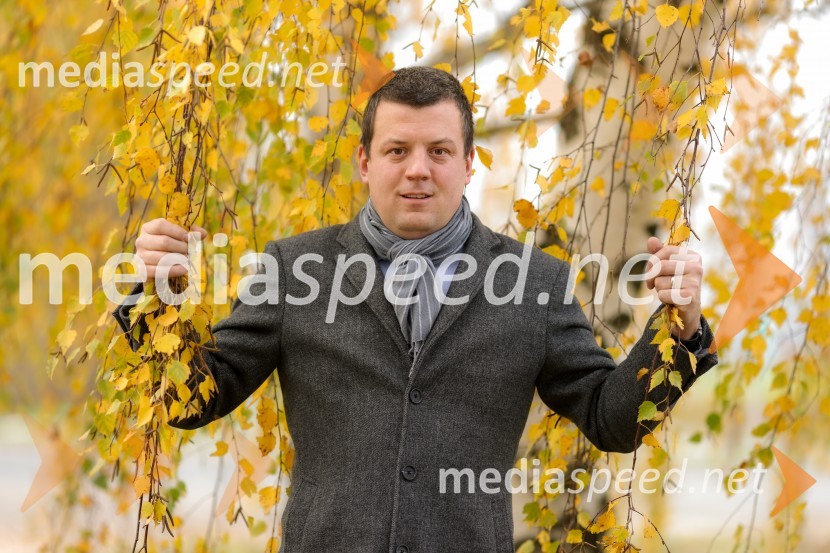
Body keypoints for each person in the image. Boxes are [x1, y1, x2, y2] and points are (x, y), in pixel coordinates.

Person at [113, 66, 717, 553]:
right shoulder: (294, 270)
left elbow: (613, 421)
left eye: (439, 150)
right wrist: (153, 296)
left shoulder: (537, 283)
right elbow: (193, 399)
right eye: (398, 149)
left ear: (468, 162)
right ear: (365, 161)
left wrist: (679, 328)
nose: (418, 169)